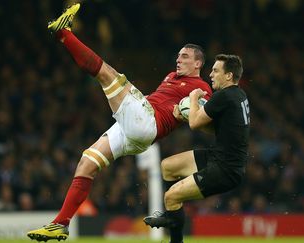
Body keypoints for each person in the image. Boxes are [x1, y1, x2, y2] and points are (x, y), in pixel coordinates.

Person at [27, 3, 212, 242]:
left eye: (185, 57)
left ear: (198, 64)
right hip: (136, 132)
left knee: (107, 73)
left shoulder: (202, 88)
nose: (178, 60)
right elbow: (165, 102)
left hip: (146, 122)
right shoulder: (171, 77)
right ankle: (60, 224)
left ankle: (63, 33)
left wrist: (187, 111)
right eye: (178, 55)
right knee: (86, 163)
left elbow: (202, 116)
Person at [143, 54, 250, 243]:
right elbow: (212, 128)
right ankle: (173, 211)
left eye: (216, 71)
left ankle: (174, 223)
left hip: (225, 169)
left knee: (171, 196)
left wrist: (192, 99)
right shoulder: (238, 95)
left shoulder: (224, 96)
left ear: (228, 76)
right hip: (221, 158)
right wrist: (187, 113)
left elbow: (194, 123)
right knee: (168, 166)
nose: (211, 74)